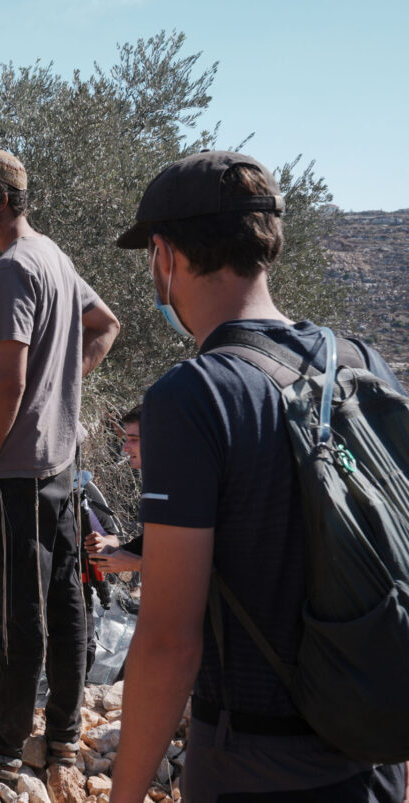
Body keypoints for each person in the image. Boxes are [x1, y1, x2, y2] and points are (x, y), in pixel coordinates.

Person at [109, 151, 406, 801]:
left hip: (254, 766)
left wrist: (124, 795)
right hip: (373, 761)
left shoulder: (192, 397)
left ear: (165, 256)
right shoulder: (361, 363)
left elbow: (168, 642)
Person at [0, 149, 120, 777]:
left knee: (19, 611)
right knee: (67, 600)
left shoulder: (11, 268)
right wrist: (62, 387)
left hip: (16, 473)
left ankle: (4, 743)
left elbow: (9, 383)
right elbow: (106, 324)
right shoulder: (54, 256)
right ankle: (64, 737)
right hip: (60, 466)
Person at [85, 405, 143, 575]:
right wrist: (113, 552)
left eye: (134, 439)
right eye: (126, 438)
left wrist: (138, 564)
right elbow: (153, 542)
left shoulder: (180, 487)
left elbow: (192, 560)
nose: (125, 447)